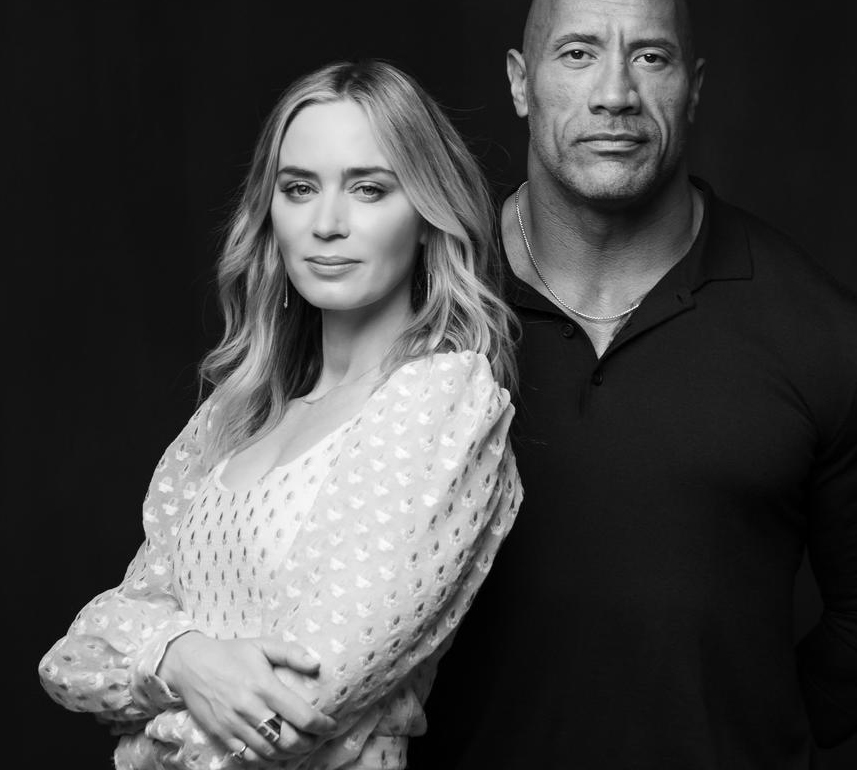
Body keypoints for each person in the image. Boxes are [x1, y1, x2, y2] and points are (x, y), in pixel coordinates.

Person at [411, 0, 857, 768]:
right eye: (577, 53)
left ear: (692, 87)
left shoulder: (826, 335)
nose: (614, 93)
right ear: (519, 81)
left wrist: (743, 733)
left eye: (649, 56)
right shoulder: (416, 308)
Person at [38, 59, 522, 770]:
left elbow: (297, 706)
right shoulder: (233, 419)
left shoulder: (443, 400)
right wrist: (183, 657)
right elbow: (74, 659)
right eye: (298, 189)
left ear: (426, 215)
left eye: (368, 188)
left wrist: (146, 717)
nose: (327, 224)